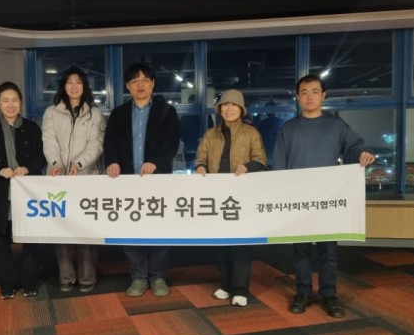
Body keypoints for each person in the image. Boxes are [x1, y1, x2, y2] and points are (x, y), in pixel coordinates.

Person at [273, 74, 375, 317]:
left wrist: (362, 154)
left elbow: (354, 147)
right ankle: (304, 293)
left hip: (328, 199)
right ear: (298, 97)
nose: (309, 97)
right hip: (298, 201)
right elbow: (278, 166)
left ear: (323, 95)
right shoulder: (288, 128)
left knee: (328, 252)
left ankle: (329, 295)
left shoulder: (336, 125)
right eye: (304, 92)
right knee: (301, 251)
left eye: (315, 92)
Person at [103, 62, 180, 297]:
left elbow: (172, 143)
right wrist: (112, 162)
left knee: (159, 229)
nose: (140, 84)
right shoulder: (118, 114)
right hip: (127, 182)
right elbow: (109, 143)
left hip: (157, 181)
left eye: (145, 80)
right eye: (135, 81)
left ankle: (157, 276)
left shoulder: (167, 112)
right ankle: (138, 276)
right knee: (131, 228)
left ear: (153, 83)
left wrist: (156, 161)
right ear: (128, 85)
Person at [194, 89, 268, 307]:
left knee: (241, 244)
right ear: (219, 109)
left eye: (233, 105)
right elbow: (200, 158)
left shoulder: (251, 133)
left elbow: (261, 160)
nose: (229, 108)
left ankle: (240, 289)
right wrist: (200, 167)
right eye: (225, 105)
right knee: (222, 243)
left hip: (242, 197)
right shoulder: (211, 134)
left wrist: (248, 166)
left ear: (241, 109)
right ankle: (226, 285)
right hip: (218, 196)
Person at [0, 82, 47, 299]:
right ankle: (6, 285)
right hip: (0, 193)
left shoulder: (32, 128)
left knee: (29, 240)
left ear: (21, 102)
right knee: (2, 240)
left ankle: (30, 282)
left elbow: (42, 156)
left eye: (14, 100)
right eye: (5, 100)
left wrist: (28, 168)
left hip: (27, 193)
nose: (10, 104)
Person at [42, 66, 105, 293]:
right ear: (64, 86)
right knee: (62, 228)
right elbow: (49, 140)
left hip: (86, 177)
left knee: (85, 227)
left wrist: (79, 164)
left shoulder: (95, 114)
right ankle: (66, 276)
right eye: (69, 82)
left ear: (84, 86)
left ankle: (87, 276)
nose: (74, 86)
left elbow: (96, 145)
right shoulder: (51, 113)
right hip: (58, 178)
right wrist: (56, 163)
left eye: (78, 82)